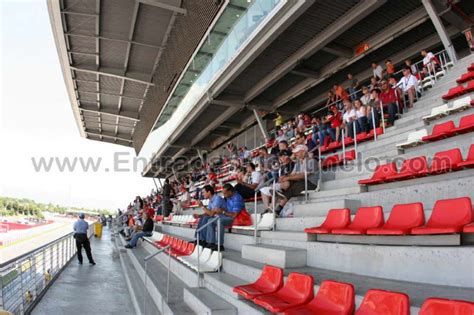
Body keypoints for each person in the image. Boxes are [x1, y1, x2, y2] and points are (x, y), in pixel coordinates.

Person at [275, 145, 319, 216]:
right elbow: (292, 174)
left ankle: (281, 194)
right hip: (301, 183)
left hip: (311, 184)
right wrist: (284, 177)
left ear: (304, 152)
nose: (295, 154)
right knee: (291, 182)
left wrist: (288, 178)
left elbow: (303, 175)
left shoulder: (311, 161)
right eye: (295, 153)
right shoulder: (298, 163)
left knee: (292, 184)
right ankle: (279, 206)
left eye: (297, 152)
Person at [205, 184, 244, 251]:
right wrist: (221, 210)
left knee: (219, 221)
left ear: (230, 192)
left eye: (225, 193)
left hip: (237, 219)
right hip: (228, 216)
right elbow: (228, 211)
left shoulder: (237, 198)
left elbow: (234, 215)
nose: (224, 195)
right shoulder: (229, 197)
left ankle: (220, 245)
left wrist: (222, 212)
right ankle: (211, 243)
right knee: (210, 220)